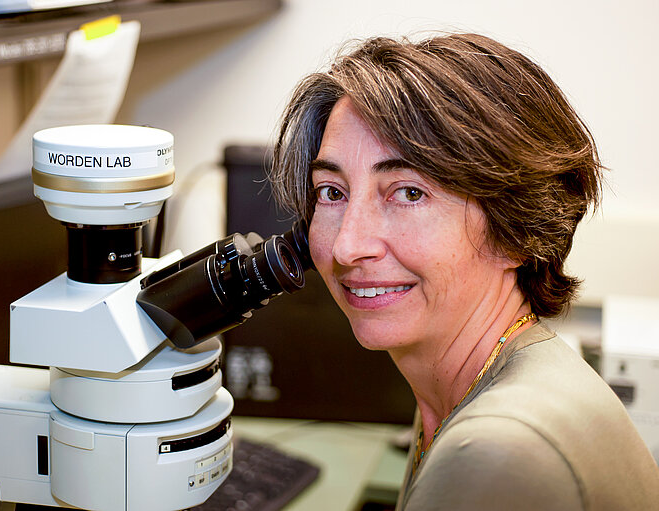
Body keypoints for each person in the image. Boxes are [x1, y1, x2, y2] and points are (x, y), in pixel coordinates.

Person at [268, 33, 659, 510]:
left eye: (409, 193)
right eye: (332, 192)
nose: (348, 246)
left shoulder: (499, 454)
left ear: (515, 230)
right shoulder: (460, 386)